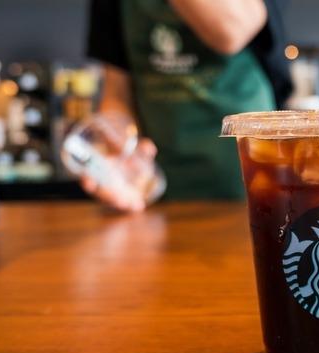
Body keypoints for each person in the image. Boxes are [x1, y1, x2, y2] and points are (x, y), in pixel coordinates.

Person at [83, 0, 292, 211]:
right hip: (161, 180)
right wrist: (121, 156)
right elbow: (117, 91)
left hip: (247, 174)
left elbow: (230, 31)